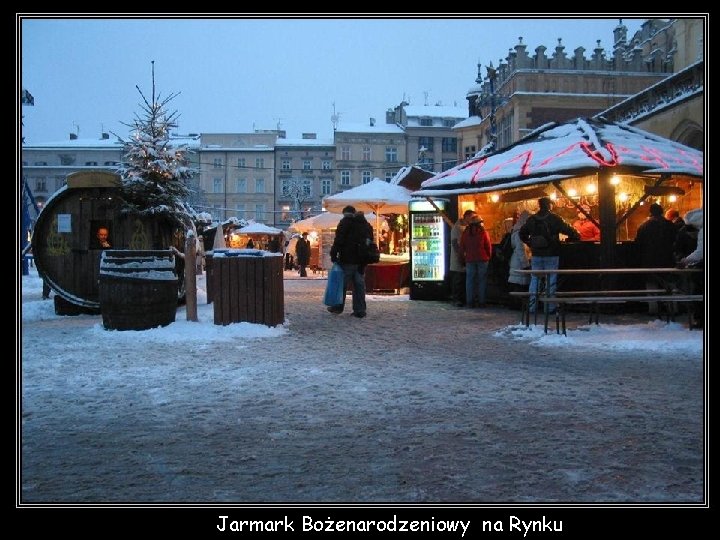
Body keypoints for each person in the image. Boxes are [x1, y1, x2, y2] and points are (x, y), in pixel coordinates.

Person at [519, 197, 580, 314]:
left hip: (536, 255)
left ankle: (532, 306)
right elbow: (571, 231)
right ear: (549, 205)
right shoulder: (554, 219)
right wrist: (571, 238)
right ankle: (549, 307)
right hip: (552, 254)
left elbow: (522, 234)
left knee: (535, 279)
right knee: (551, 280)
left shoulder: (531, 219)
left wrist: (531, 243)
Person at [634, 202, 677, 316]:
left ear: (651, 212)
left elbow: (638, 244)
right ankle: (672, 308)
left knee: (651, 285)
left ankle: (653, 309)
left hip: (649, 260)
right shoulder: (670, 225)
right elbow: (676, 242)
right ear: (662, 212)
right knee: (669, 284)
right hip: (667, 259)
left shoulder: (644, 226)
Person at [327, 205, 371, 318]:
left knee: (342, 285)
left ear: (345, 213)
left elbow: (339, 240)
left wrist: (333, 254)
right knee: (359, 286)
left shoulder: (345, 223)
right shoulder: (365, 224)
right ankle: (360, 310)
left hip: (347, 259)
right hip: (361, 261)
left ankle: (337, 307)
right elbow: (370, 241)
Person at [459, 215, 492, 308]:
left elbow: (462, 247)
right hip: (482, 259)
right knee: (482, 280)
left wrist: (462, 259)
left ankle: (470, 302)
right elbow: (488, 246)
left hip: (469, 259)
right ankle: (482, 301)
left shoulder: (465, 233)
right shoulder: (483, 232)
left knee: (469, 281)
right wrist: (488, 256)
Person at [449, 209, 475, 307]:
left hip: (463, 258)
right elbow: (455, 244)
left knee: (461, 280)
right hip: (458, 259)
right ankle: (457, 299)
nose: (472, 220)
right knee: (458, 280)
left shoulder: (465, 227)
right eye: (471, 217)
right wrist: (461, 255)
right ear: (466, 217)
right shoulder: (457, 228)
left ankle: (460, 299)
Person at [507, 210, 531, 307]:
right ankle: (517, 305)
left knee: (518, 285)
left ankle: (516, 304)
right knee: (519, 285)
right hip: (519, 264)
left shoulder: (517, 230)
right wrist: (526, 265)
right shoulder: (519, 233)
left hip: (516, 263)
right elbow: (521, 250)